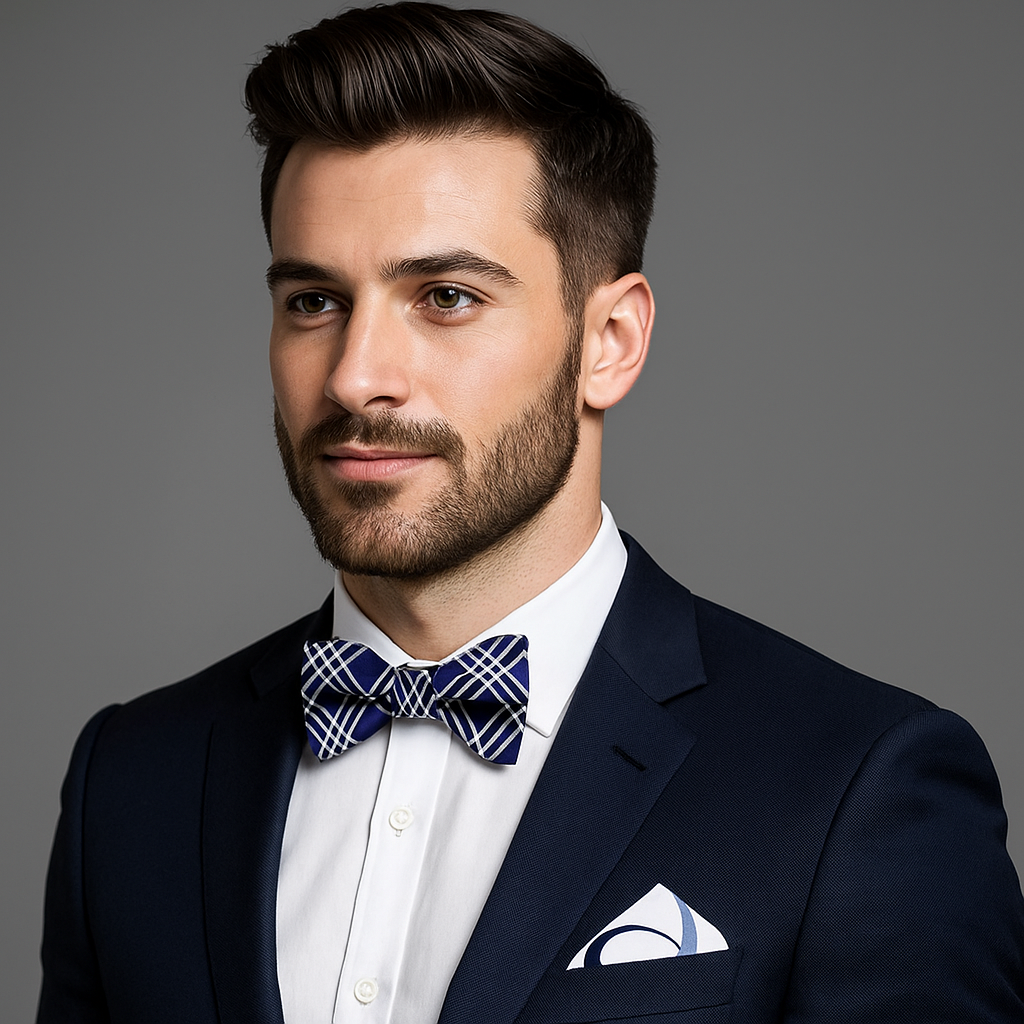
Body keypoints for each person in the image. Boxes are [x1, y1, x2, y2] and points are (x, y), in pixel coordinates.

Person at [37, 3, 1024, 1022]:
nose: (355, 377)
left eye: (447, 296)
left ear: (609, 341)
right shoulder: (132, 777)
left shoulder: (855, 786)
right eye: (313, 301)